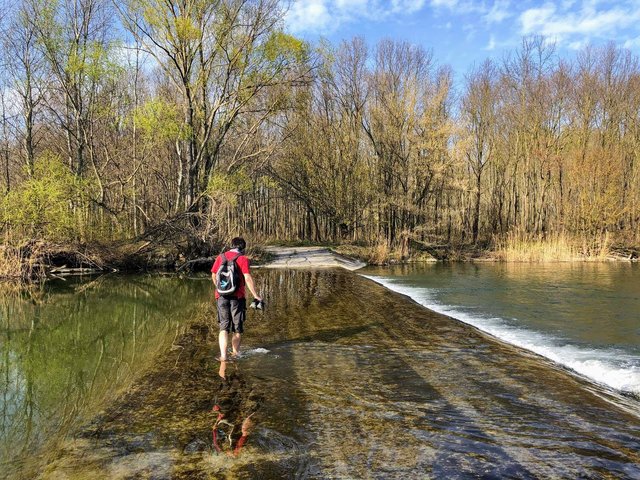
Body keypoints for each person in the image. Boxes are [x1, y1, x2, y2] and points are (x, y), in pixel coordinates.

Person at [211, 237, 262, 361]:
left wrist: (221, 289)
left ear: (231, 245)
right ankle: (235, 354)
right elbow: (247, 278)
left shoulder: (221, 257)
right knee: (237, 328)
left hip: (221, 296)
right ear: (243, 248)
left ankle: (223, 356)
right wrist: (256, 295)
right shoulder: (243, 259)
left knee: (223, 326)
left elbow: (213, 274)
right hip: (237, 298)